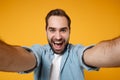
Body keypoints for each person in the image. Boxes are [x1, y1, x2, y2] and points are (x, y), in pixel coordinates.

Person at [0, 9, 120, 80]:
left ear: (69, 31)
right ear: (46, 30)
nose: (58, 37)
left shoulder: (76, 52)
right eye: (52, 30)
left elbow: (107, 52)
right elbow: (16, 58)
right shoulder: (40, 52)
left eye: (63, 30)